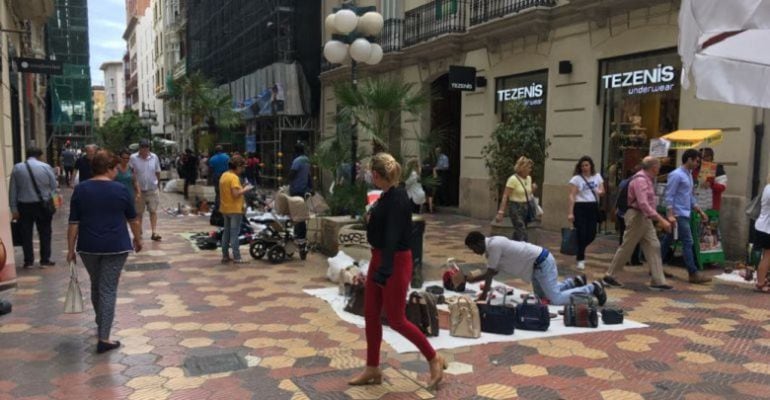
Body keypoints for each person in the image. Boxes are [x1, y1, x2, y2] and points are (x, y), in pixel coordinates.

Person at [349, 153, 446, 390]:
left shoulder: (397, 199)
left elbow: (393, 237)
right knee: (371, 314)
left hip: (394, 261)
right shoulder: (387, 195)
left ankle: (434, 358)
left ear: (376, 175)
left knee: (396, 319)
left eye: (371, 172)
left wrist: (385, 269)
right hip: (380, 258)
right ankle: (372, 367)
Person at [66, 150, 142, 354]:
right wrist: (138, 238)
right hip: (116, 246)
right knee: (108, 288)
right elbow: (133, 219)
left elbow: (73, 222)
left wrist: (70, 249)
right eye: (115, 167)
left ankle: (101, 321)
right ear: (108, 168)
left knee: (96, 284)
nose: (117, 171)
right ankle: (104, 337)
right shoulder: (120, 190)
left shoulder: (81, 190)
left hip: (88, 246)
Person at [464, 231, 606, 306]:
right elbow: (492, 273)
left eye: (473, 248)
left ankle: (593, 288)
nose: (474, 252)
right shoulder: (490, 250)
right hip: (536, 269)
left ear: (479, 242)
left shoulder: (494, 245)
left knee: (555, 299)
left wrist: (472, 283)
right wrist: (481, 293)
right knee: (543, 298)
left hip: (542, 263)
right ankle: (573, 283)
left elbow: (490, 273)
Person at [603, 157, 674, 290]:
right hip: (637, 216)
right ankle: (610, 275)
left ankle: (658, 280)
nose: (660, 168)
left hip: (644, 217)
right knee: (627, 246)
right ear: (653, 167)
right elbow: (643, 204)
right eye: (658, 165)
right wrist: (661, 220)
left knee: (654, 245)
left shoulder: (647, 179)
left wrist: (655, 218)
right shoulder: (640, 180)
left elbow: (648, 204)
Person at [660, 149, 711, 284]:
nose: (697, 164)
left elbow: (689, 196)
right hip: (678, 214)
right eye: (696, 161)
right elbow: (669, 195)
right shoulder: (676, 175)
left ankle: (656, 266)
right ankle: (692, 273)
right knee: (688, 241)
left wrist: (699, 211)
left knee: (668, 240)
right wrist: (670, 214)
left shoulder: (688, 174)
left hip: (684, 213)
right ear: (689, 159)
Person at [9, 147, 58, 268]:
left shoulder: (17, 168)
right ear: (39, 156)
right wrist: (55, 205)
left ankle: (28, 261)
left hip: (24, 206)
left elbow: (13, 191)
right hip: (43, 205)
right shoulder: (46, 167)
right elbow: (54, 188)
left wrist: (14, 209)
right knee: (45, 232)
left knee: (26, 233)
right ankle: (45, 260)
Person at [568, 156, 604, 270]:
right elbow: (572, 195)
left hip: (592, 206)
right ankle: (581, 259)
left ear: (591, 166)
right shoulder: (576, 179)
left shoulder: (597, 176)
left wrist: (599, 191)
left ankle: (579, 248)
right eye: (582, 165)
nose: (585, 167)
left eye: (587, 165)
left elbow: (602, 191)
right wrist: (570, 212)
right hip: (580, 207)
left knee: (592, 234)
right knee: (582, 233)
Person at [218, 155, 252, 264]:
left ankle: (225, 256)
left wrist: (241, 187)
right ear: (237, 166)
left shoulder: (224, 175)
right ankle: (237, 257)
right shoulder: (234, 178)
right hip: (235, 209)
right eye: (242, 167)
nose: (243, 170)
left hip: (225, 208)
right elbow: (236, 194)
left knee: (226, 233)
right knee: (234, 234)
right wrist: (246, 189)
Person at [496, 156, 536, 242]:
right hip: (515, 207)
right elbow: (505, 195)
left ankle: (512, 247)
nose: (530, 170)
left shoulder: (529, 178)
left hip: (526, 206)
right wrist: (501, 211)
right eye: (528, 168)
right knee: (522, 231)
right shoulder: (512, 179)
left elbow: (527, 193)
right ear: (522, 168)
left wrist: (532, 189)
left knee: (519, 230)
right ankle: (524, 251)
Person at [130, 139, 163, 241]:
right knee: (139, 212)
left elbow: (157, 171)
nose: (144, 149)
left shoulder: (154, 157)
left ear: (149, 148)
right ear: (139, 148)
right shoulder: (133, 158)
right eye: (142, 147)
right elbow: (131, 172)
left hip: (152, 189)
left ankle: (154, 232)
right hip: (139, 190)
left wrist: (158, 183)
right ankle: (139, 231)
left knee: (153, 211)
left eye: (146, 147)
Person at [615, 165, 643, 266]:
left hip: (621, 212)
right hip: (630, 212)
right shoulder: (638, 183)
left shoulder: (623, 182)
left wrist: (616, 208)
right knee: (634, 236)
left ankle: (625, 259)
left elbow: (618, 196)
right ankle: (634, 259)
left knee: (624, 236)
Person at [288, 142, 312, 242]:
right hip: (304, 190)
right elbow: (309, 175)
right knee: (301, 212)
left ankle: (299, 234)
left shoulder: (297, 161)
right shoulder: (306, 160)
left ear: (296, 151)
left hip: (296, 190)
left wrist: (287, 181)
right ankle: (301, 233)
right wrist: (311, 187)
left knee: (296, 213)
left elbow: (292, 173)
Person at [752, 173, 770, 293]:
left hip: (762, 226)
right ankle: (760, 283)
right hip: (767, 228)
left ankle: (762, 279)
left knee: (766, 256)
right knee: (767, 256)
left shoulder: (767, 187)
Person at [208, 146, 231, 211]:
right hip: (226, 176)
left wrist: (209, 180)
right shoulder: (227, 157)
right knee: (227, 191)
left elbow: (210, 170)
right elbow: (230, 167)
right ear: (222, 150)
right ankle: (227, 205)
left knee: (218, 192)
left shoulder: (212, 159)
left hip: (216, 177)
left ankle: (218, 207)